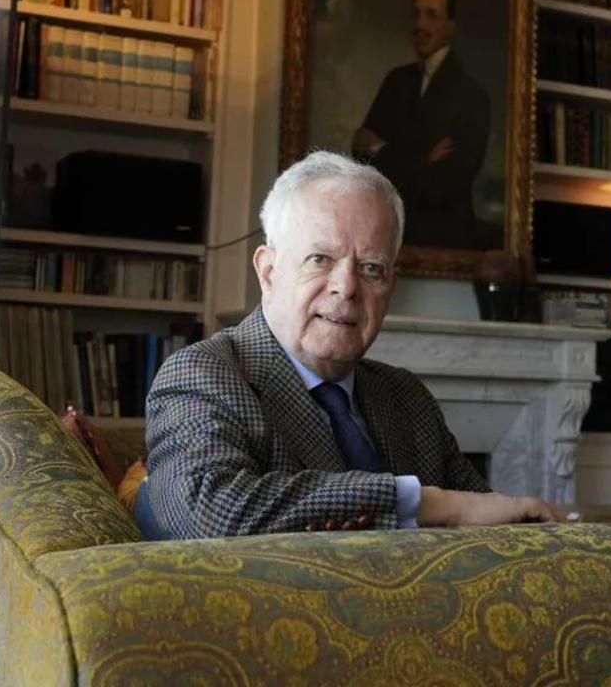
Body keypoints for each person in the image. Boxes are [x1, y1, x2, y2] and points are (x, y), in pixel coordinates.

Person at [139, 151, 555, 539]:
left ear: (390, 286)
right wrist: (423, 502)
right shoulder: (203, 374)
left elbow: (486, 516)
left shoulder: (407, 398)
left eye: (371, 268)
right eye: (320, 259)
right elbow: (207, 513)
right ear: (268, 271)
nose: (346, 287)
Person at [352, 0, 491, 250]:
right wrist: (424, 160)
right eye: (416, 14)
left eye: (431, 16)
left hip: (444, 241)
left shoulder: (471, 95)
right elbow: (362, 158)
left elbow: (447, 183)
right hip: (391, 237)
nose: (420, 25)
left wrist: (382, 150)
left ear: (451, 26)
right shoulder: (396, 81)